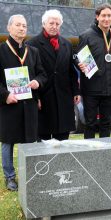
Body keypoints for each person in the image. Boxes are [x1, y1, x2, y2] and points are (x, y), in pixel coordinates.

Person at [0, 14, 47, 190]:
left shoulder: (32, 51)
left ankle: (29, 173)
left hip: (29, 104)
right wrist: (5, 95)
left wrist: (37, 82)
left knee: (29, 140)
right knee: (8, 141)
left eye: (24, 26)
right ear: (9, 27)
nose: (22, 28)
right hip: (9, 105)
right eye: (18, 25)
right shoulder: (1, 51)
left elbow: (42, 74)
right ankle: (10, 176)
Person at [28, 9, 80, 141]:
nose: (54, 26)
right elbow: (31, 73)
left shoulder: (67, 43)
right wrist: (36, 96)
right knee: (43, 138)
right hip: (44, 97)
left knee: (63, 138)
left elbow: (71, 71)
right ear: (43, 24)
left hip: (64, 97)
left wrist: (76, 92)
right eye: (51, 23)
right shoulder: (32, 44)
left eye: (57, 24)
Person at [77, 3, 111, 139]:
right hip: (91, 89)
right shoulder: (86, 36)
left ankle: (104, 155)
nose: (106, 19)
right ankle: (89, 154)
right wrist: (80, 64)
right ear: (97, 17)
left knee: (106, 123)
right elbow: (78, 57)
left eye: (109, 16)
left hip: (109, 90)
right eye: (103, 15)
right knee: (90, 123)